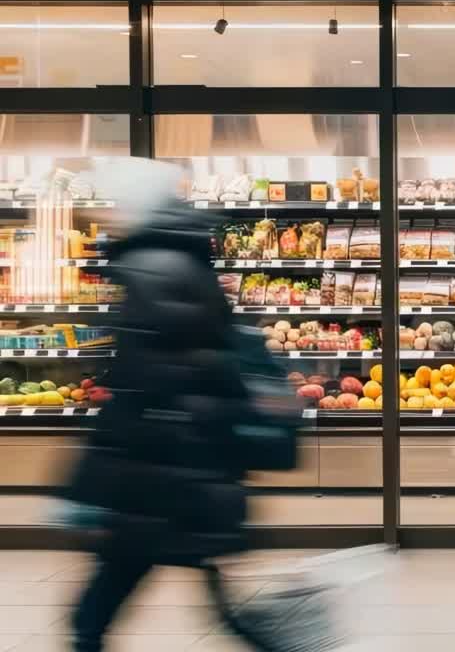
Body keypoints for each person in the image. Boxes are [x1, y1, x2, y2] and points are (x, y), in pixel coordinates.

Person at [61, 161, 268, 652]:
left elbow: (133, 391)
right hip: (190, 468)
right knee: (224, 607)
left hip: (156, 478)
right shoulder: (187, 262)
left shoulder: (149, 271)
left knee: (91, 618)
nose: (107, 214)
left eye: (113, 203)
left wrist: (85, 485)